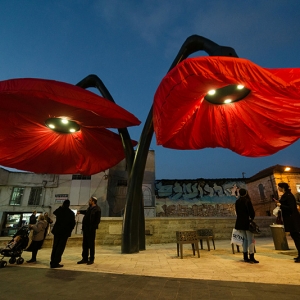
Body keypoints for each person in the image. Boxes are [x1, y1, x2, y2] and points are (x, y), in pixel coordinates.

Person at [274, 182, 300, 263]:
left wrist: (280, 205)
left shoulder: (289, 196)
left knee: (297, 237)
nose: (278, 189)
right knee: (295, 237)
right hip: (289, 219)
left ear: (282, 187)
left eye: (279, 187)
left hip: (292, 219)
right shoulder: (286, 195)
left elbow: (291, 208)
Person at [235, 188, 259, 263]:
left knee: (244, 239)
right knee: (251, 239)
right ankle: (251, 255)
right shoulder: (247, 201)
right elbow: (251, 212)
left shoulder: (237, 201)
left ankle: (245, 256)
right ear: (245, 193)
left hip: (240, 222)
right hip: (247, 222)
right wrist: (251, 218)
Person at [50, 199, 76, 269]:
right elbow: (73, 223)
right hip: (65, 232)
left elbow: (55, 212)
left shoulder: (60, 210)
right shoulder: (70, 213)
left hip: (57, 231)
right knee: (60, 247)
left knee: (55, 246)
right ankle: (56, 262)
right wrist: (69, 230)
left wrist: (61, 207)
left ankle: (52, 261)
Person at [77, 196, 101, 265]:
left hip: (91, 230)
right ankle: (84, 258)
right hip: (86, 229)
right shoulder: (89, 208)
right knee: (85, 244)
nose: (89, 201)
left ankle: (91, 259)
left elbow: (97, 220)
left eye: (90, 200)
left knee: (91, 244)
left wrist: (92, 227)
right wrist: (80, 212)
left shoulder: (97, 209)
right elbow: (86, 213)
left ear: (93, 202)